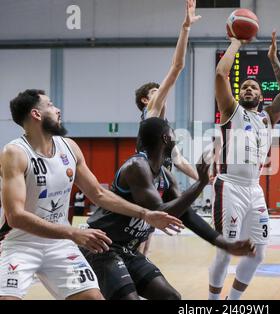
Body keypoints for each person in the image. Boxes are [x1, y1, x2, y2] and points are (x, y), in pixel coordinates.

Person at [0, 90, 182, 300]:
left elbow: (98, 194)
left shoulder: (69, 147)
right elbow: (15, 216)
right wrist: (72, 233)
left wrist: (145, 214)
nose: (57, 110)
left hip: (58, 244)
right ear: (36, 114)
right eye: (50, 105)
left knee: (93, 298)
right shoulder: (15, 153)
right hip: (23, 245)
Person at [81, 118, 255, 300]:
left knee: (171, 297)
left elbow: (185, 214)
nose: (176, 139)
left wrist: (224, 243)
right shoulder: (137, 167)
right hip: (101, 246)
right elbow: (160, 212)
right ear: (165, 138)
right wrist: (200, 184)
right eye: (173, 134)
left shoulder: (165, 176)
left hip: (127, 249)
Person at [209, 31, 280, 300]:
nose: (248, 89)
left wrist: (273, 59)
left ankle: (232, 302)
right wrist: (236, 43)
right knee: (226, 249)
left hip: (254, 190)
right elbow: (221, 76)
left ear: (260, 96)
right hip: (229, 186)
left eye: (253, 87)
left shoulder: (268, 117)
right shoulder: (231, 111)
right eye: (244, 86)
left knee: (258, 253)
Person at [134, 0, 200, 181]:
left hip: (159, 180)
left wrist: (202, 179)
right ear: (145, 101)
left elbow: (178, 159)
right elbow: (177, 66)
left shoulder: (162, 128)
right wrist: (185, 28)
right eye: (155, 91)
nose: (160, 92)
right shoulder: (151, 112)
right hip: (145, 179)